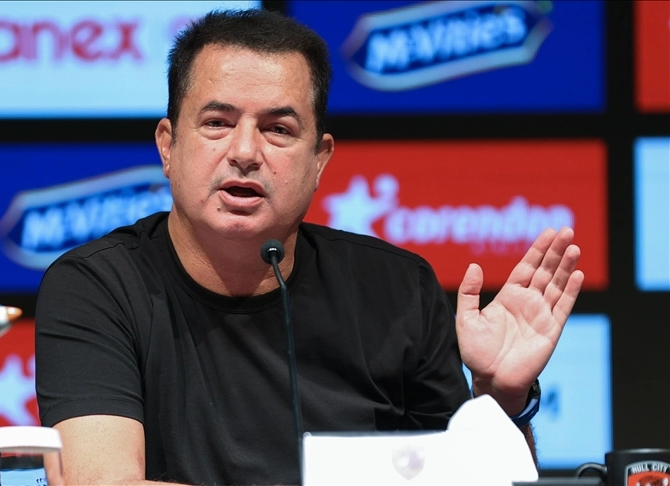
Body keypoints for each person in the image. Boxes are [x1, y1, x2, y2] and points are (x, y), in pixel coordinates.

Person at [35, 8, 584, 486]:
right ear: (168, 145)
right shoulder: (97, 287)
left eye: (278, 129)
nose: (244, 151)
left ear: (319, 160)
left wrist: (501, 401)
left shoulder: (397, 291)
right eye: (217, 123)